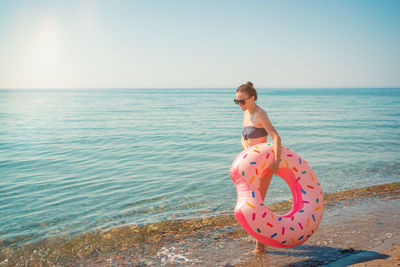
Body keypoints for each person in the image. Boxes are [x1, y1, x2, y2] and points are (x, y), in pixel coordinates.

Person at [234, 81, 282, 255]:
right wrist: (248, 152)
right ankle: (259, 239)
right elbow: (242, 137)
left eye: (242, 101)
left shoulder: (261, 114)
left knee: (257, 204)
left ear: (252, 98)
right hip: (250, 165)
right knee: (249, 204)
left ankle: (260, 245)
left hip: (262, 166)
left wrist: (276, 161)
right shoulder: (246, 113)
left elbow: (276, 137)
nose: (239, 105)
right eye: (236, 102)